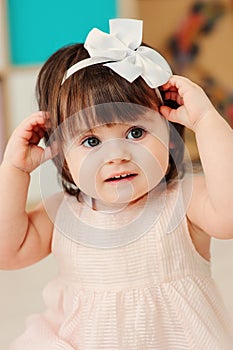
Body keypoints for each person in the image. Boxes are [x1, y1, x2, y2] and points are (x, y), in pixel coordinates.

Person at [0, 18, 233, 349]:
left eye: (135, 133)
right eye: (91, 141)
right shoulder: (61, 214)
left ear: (168, 136)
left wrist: (207, 121)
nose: (116, 156)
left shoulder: (184, 201)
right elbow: (7, 252)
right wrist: (13, 170)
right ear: (62, 151)